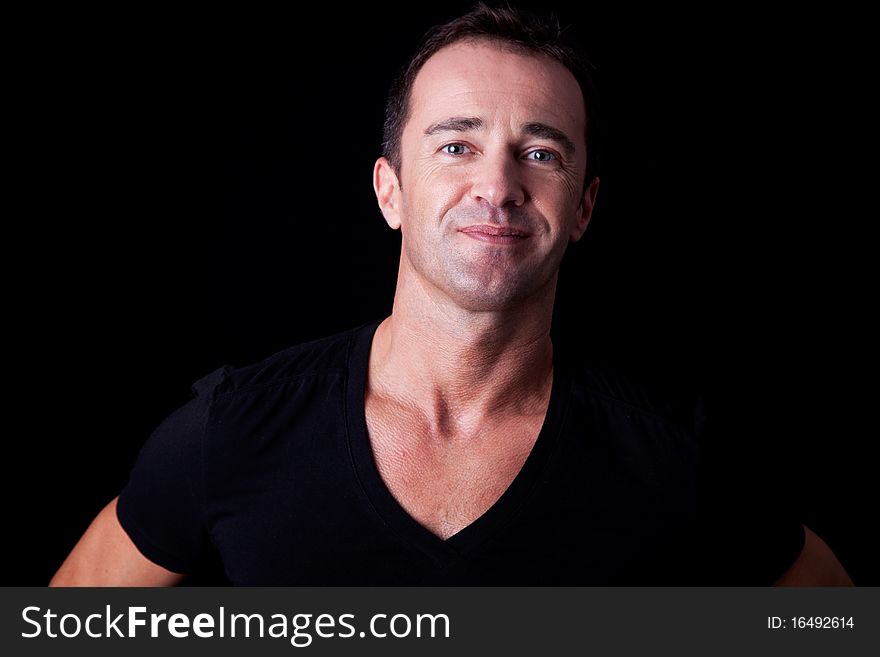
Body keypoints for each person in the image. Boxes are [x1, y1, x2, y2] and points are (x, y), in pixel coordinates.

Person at [50, 3, 851, 586]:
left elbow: (830, 621)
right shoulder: (235, 430)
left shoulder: (671, 455)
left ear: (584, 207)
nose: (496, 187)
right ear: (390, 190)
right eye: (456, 145)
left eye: (539, 152)